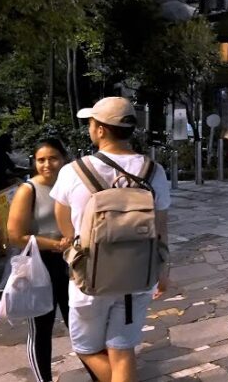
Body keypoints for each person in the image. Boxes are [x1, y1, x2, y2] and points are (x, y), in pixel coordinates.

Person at [51, 97, 171, 382]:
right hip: (138, 274)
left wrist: (74, 242)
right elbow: (161, 227)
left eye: (92, 123)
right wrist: (164, 270)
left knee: (86, 349)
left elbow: (64, 223)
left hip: (89, 276)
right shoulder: (154, 171)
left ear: (101, 129)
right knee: (122, 348)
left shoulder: (74, 171)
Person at [7, 138, 73, 382]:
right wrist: (55, 244)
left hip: (71, 261)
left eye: (53, 158)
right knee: (41, 329)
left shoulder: (71, 185)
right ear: (34, 162)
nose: (47, 164)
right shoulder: (29, 190)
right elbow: (15, 235)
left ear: (64, 159)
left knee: (77, 323)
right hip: (40, 263)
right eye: (41, 159)